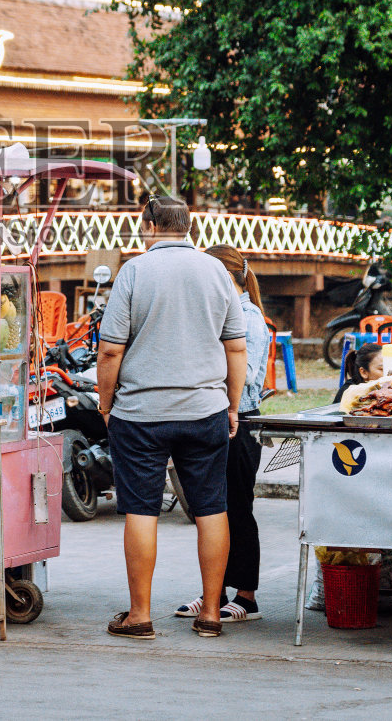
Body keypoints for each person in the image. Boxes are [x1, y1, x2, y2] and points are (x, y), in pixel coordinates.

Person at [97, 196, 248, 639]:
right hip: (205, 412)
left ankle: (140, 616)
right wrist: (232, 405)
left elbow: (110, 350)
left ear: (148, 226)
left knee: (142, 510)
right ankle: (212, 614)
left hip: (141, 414)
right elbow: (235, 346)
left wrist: (106, 404)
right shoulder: (216, 271)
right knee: (211, 508)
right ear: (188, 227)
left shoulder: (135, 271)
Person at [172, 245, 270, 623]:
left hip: (240, 422)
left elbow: (246, 381)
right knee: (210, 511)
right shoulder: (216, 314)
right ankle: (213, 592)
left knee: (237, 509)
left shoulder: (249, 319)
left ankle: (247, 597)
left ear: (225, 278)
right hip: (210, 419)